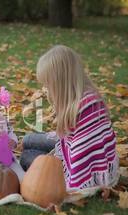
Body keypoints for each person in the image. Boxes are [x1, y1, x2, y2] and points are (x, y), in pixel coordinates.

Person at [21, 45, 119, 191]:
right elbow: (70, 139)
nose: (46, 89)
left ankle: (46, 165)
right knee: (27, 140)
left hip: (80, 169)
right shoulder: (77, 97)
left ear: (60, 82)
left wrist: (59, 170)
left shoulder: (87, 107)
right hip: (68, 148)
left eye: (48, 84)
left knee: (26, 157)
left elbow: (81, 153)